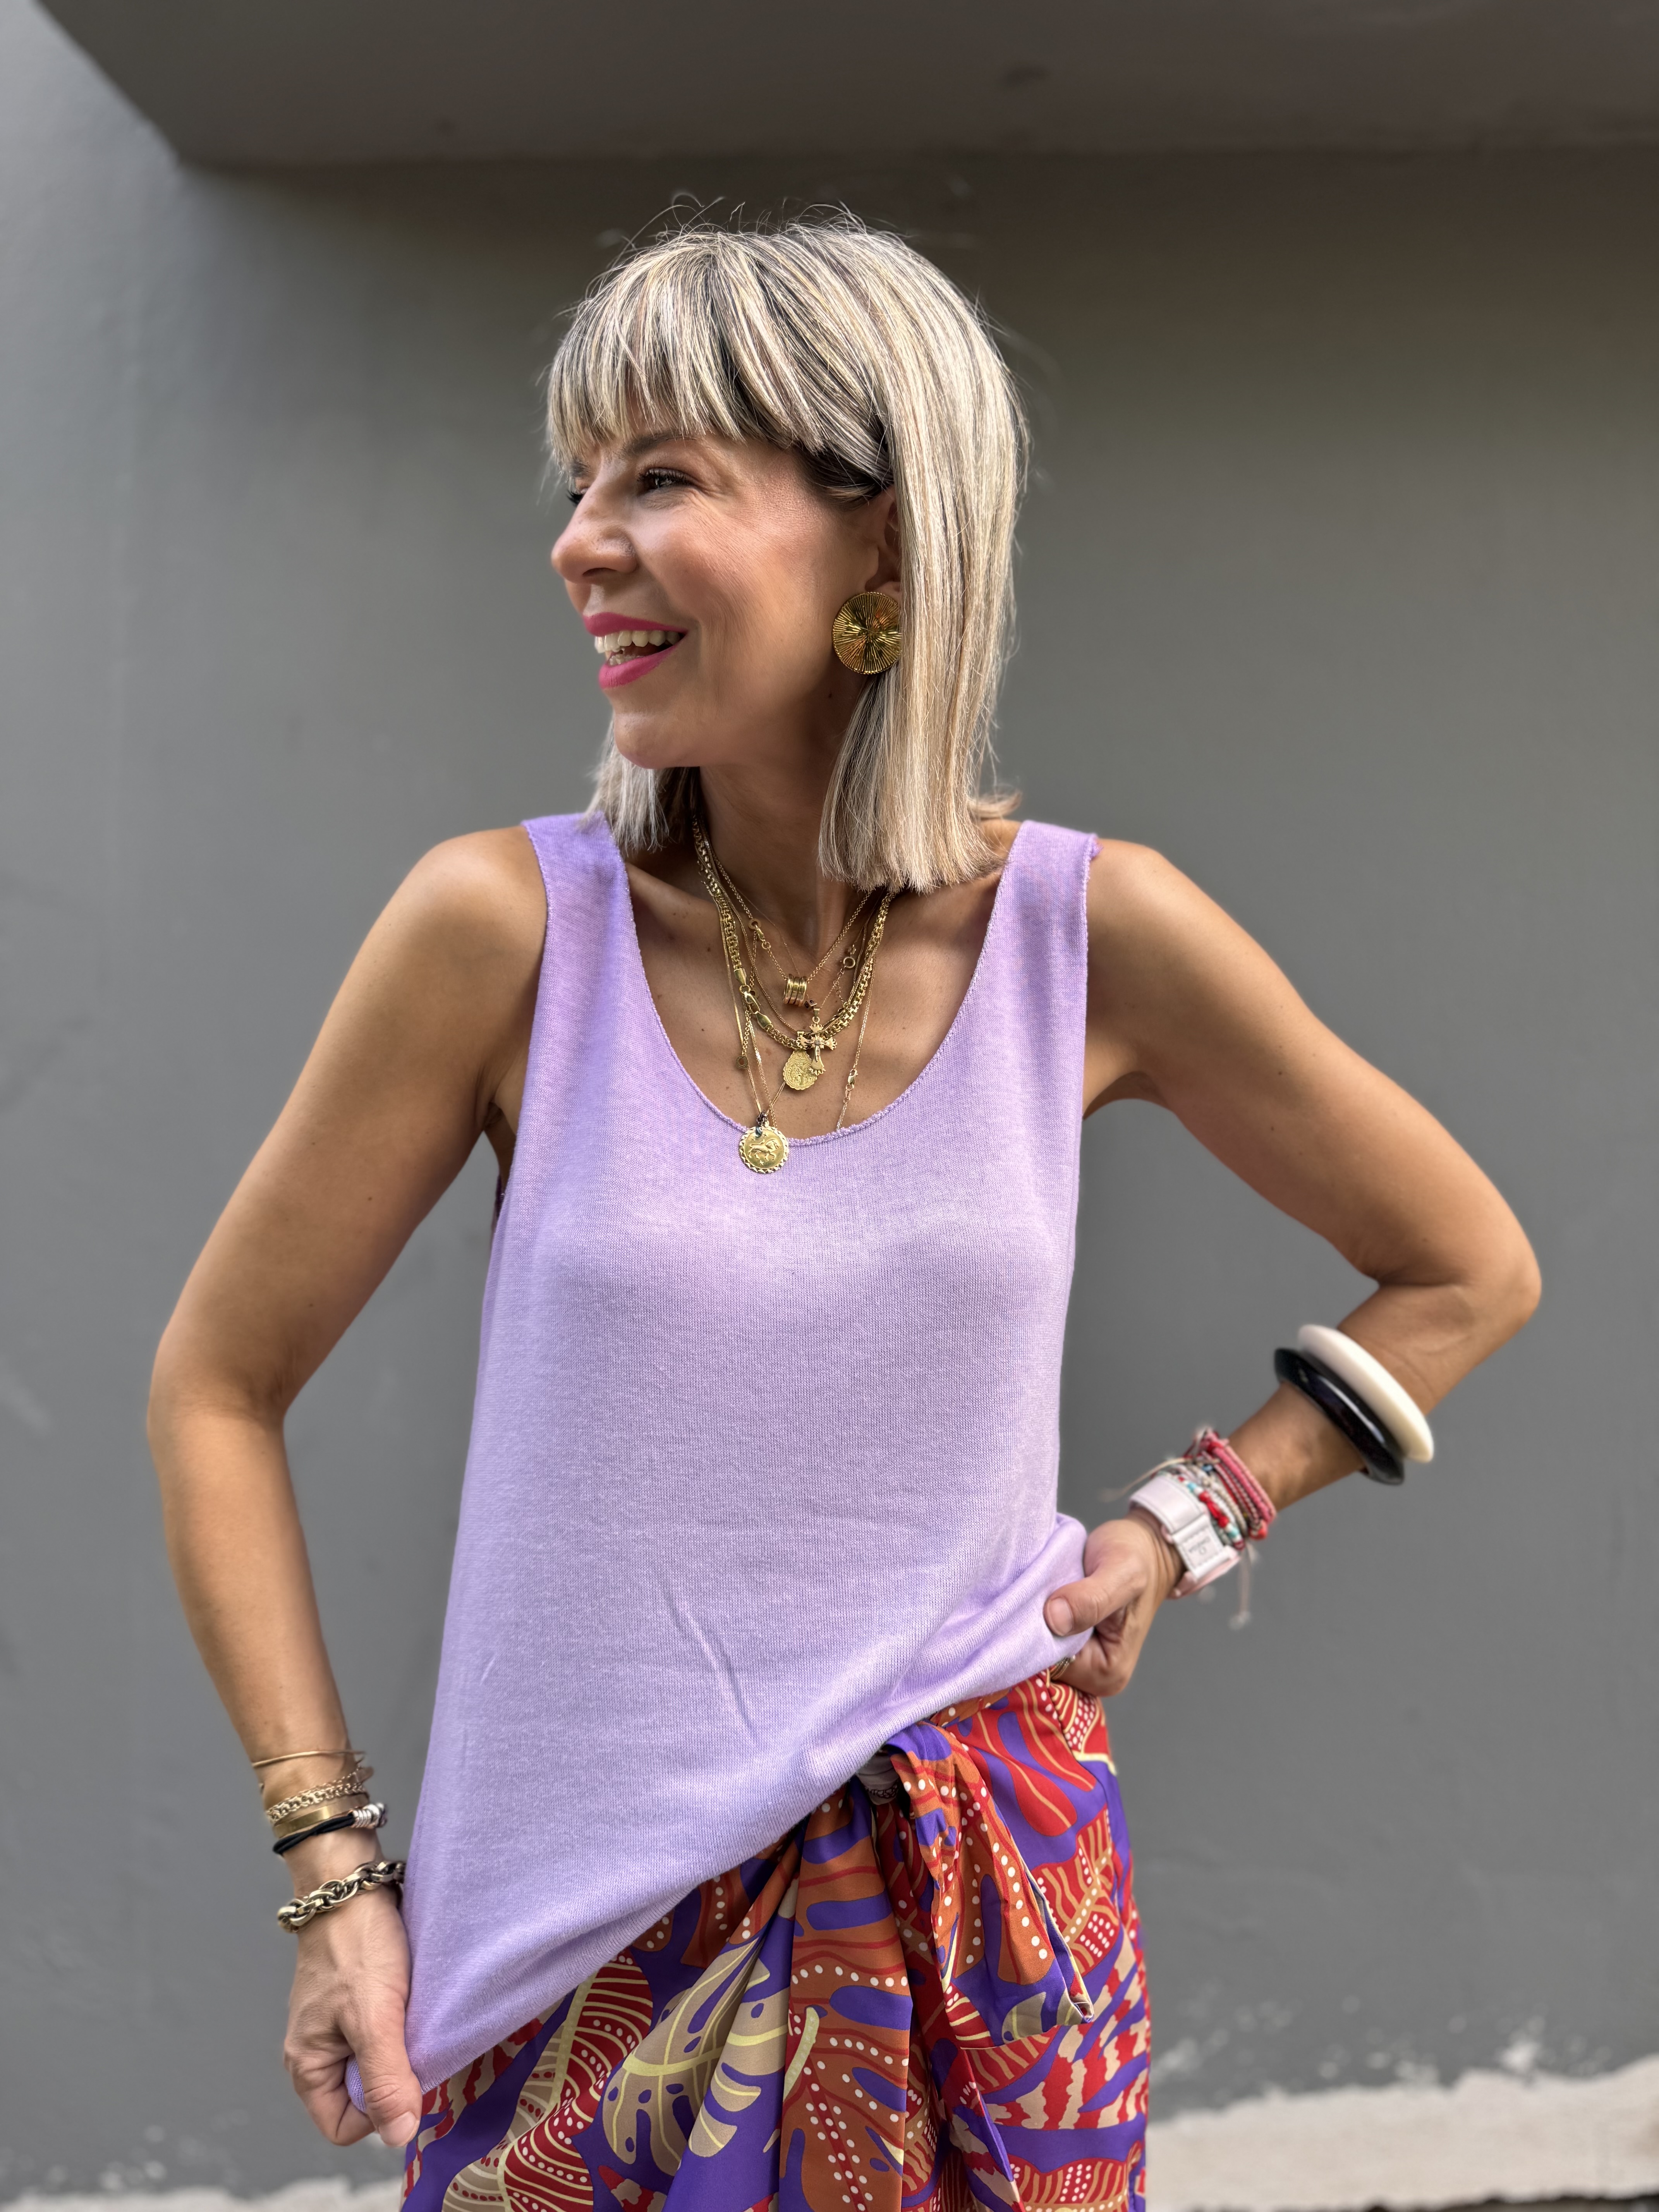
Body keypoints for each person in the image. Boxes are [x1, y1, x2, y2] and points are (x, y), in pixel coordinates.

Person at [147, 217, 1540, 2212]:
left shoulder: (1089, 935)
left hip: (987, 1937)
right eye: (579, 484)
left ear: (880, 537)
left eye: (661, 479)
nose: (581, 544)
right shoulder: (503, 932)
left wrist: (1194, 1519)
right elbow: (215, 1388)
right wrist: (334, 1876)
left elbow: (1466, 1267)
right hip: (575, 1964)